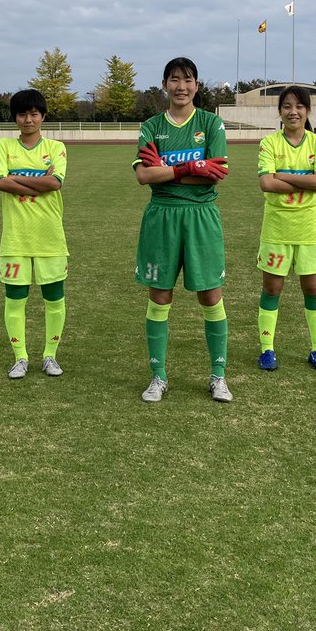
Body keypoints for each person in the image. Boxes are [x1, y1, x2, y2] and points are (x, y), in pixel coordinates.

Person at [133, 57, 232, 403]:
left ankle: (218, 376)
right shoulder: (151, 126)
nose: (181, 86)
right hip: (162, 216)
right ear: (164, 84)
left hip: (201, 216)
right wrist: (191, 167)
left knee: (210, 295)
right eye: (174, 79)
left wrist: (166, 169)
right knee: (160, 296)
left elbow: (217, 173)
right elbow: (144, 176)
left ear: (196, 85)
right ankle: (158, 376)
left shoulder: (211, 123)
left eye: (188, 80)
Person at [0, 89, 69, 379]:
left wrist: (14, 178)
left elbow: (55, 183)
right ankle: (20, 357)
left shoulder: (57, 147)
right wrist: (37, 183)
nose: (28, 119)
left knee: (54, 298)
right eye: (22, 114)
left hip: (50, 236)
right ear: (15, 117)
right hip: (15, 238)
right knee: (15, 298)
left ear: (43, 116)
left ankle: (50, 356)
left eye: (34, 114)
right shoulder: (3, 146)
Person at [256, 86, 316, 371]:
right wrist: (305, 181)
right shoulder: (269, 143)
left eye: (299, 106)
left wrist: (282, 176)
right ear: (279, 111)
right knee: (272, 288)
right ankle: (267, 350)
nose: (293, 112)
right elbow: (266, 183)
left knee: (312, 287)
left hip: (309, 228)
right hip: (277, 227)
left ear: (308, 111)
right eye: (287, 106)